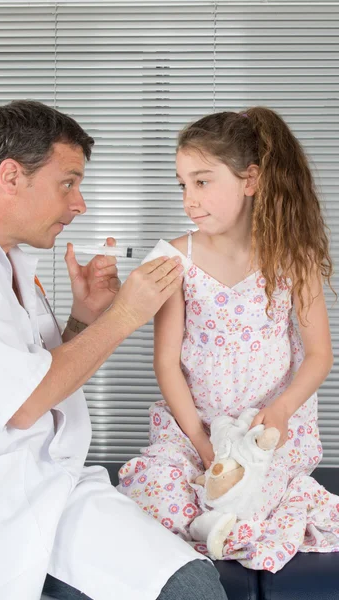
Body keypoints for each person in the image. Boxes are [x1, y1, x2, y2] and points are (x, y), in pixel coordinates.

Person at [0, 100, 228, 600]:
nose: (80, 205)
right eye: (67, 183)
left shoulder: (3, 254)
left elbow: (37, 377)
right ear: (11, 176)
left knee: (193, 586)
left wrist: (85, 318)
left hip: (54, 484)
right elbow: (21, 402)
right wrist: (123, 317)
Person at [118, 107, 339, 572]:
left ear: (250, 180)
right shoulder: (177, 258)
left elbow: (319, 355)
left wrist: (279, 412)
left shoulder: (292, 258)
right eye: (182, 185)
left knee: (249, 496)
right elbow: (166, 363)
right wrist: (201, 445)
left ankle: (235, 518)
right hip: (194, 431)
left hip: (265, 434)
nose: (189, 200)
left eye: (202, 181)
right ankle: (219, 522)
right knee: (153, 500)